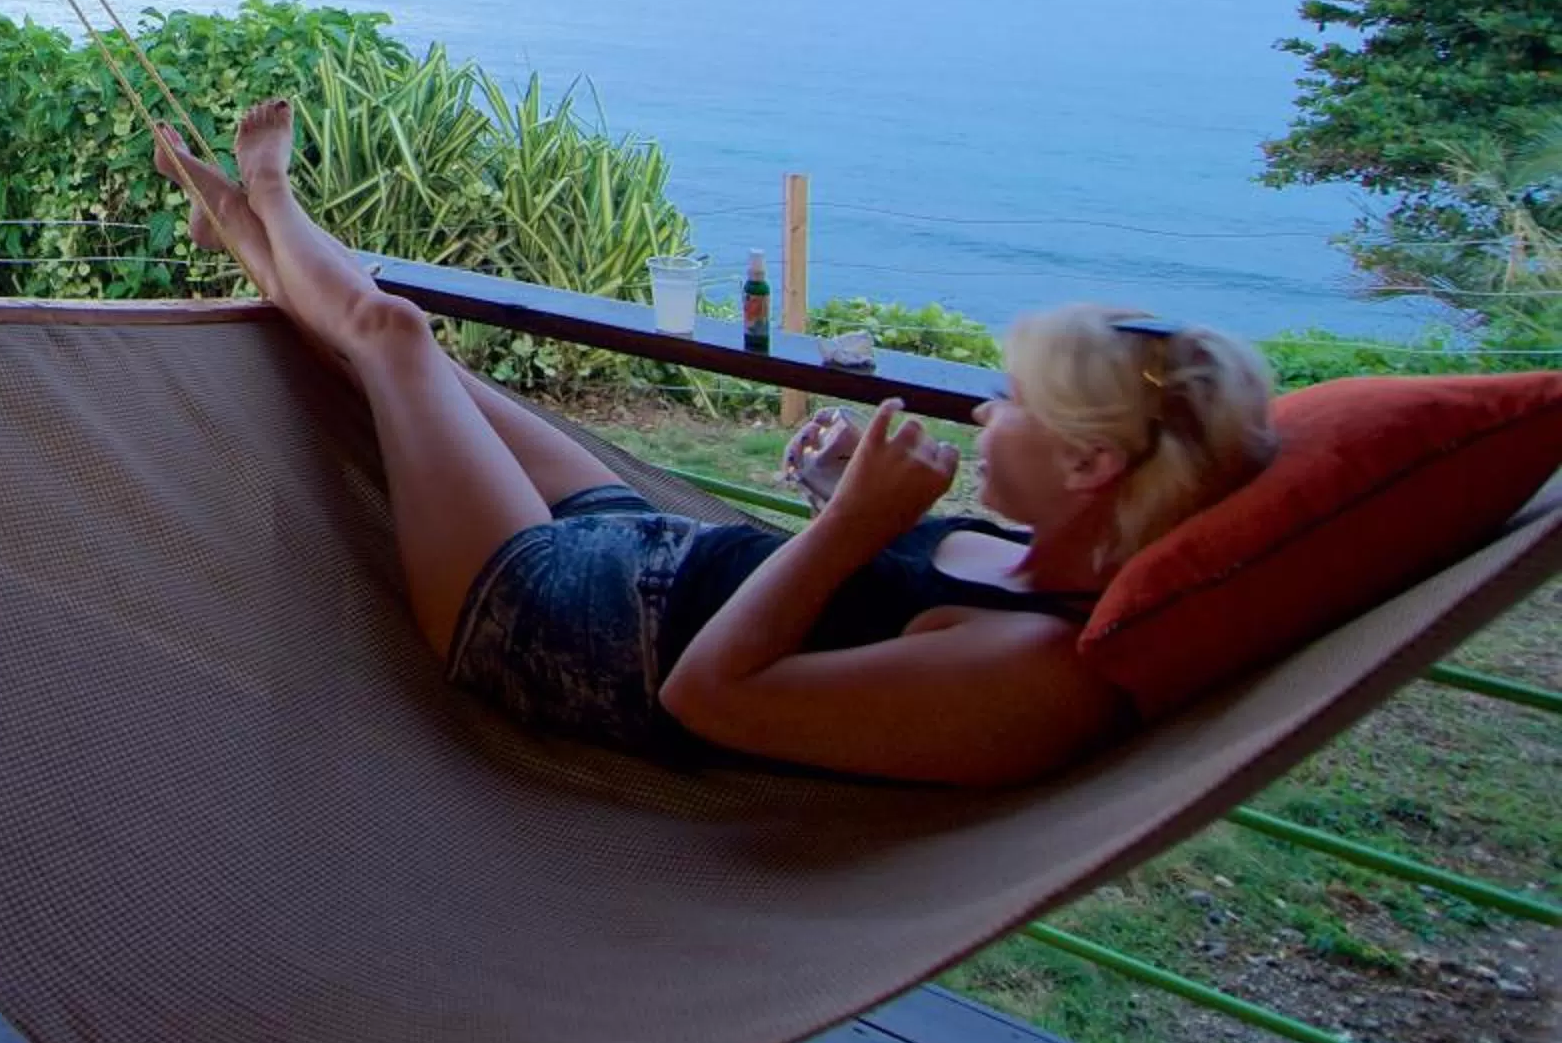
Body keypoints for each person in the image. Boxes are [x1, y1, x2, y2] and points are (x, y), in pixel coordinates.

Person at [151, 100, 1278, 787]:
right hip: (636, 544)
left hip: (541, 621)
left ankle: (265, 202)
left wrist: (846, 528)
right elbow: (847, 608)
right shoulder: (1018, 551)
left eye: (1017, 401)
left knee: (396, 340)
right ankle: (247, 234)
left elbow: (712, 698)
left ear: (1090, 464)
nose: (988, 412)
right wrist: (849, 502)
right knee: (430, 367)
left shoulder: (1037, 677)